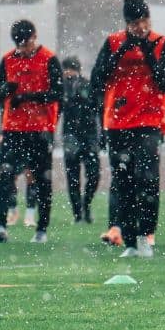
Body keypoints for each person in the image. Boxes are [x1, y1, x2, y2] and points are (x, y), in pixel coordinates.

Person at [90, 0, 165, 258]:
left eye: (145, 20)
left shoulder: (161, 43)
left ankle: (145, 235)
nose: (141, 27)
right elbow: (98, 79)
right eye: (135, 23)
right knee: (123, 180)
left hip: (148, 122)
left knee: (148, 179)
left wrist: (147, 53)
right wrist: (122, 52)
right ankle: (128, 240)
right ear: (127, 23)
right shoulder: (113, 43)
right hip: (118, 122)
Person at [0, 19, 62, 243]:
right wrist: (5, 89)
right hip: (13, 128)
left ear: (34, 37)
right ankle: (0, 225)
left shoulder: (49, 59)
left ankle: (42, 228)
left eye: (26, 44)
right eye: (19, 45)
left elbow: (58, 93)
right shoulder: (8, 60)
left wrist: (29, 97)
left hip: (40, 128)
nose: (23, 49)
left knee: (42, 179)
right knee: (6, 174)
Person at [61, 56, 101, 224]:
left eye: (70, 69)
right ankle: (78, 213)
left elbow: (96, 106)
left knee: (94, 174)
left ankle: (86, 204)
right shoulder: (61, 88)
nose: (67, 73)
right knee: (73, 177)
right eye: (65, 69)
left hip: (89, 134)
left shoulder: (87, 85)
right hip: (70, 135)